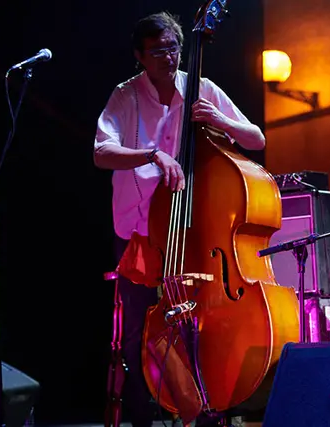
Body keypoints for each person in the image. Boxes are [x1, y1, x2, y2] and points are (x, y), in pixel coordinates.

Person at [93, 11, 265, 427]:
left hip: (191, 232)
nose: (169, 58)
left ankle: (205, 407)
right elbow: (102, 153)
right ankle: (142, 417)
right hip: (139, 230)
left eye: (173, 48)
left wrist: (219, 120)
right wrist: (152, 155)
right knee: (138, 330)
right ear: (140, 56)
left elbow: (256, 138)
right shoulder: (126, 96)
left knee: (200, 321)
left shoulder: (200, 87)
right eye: (158, 51)